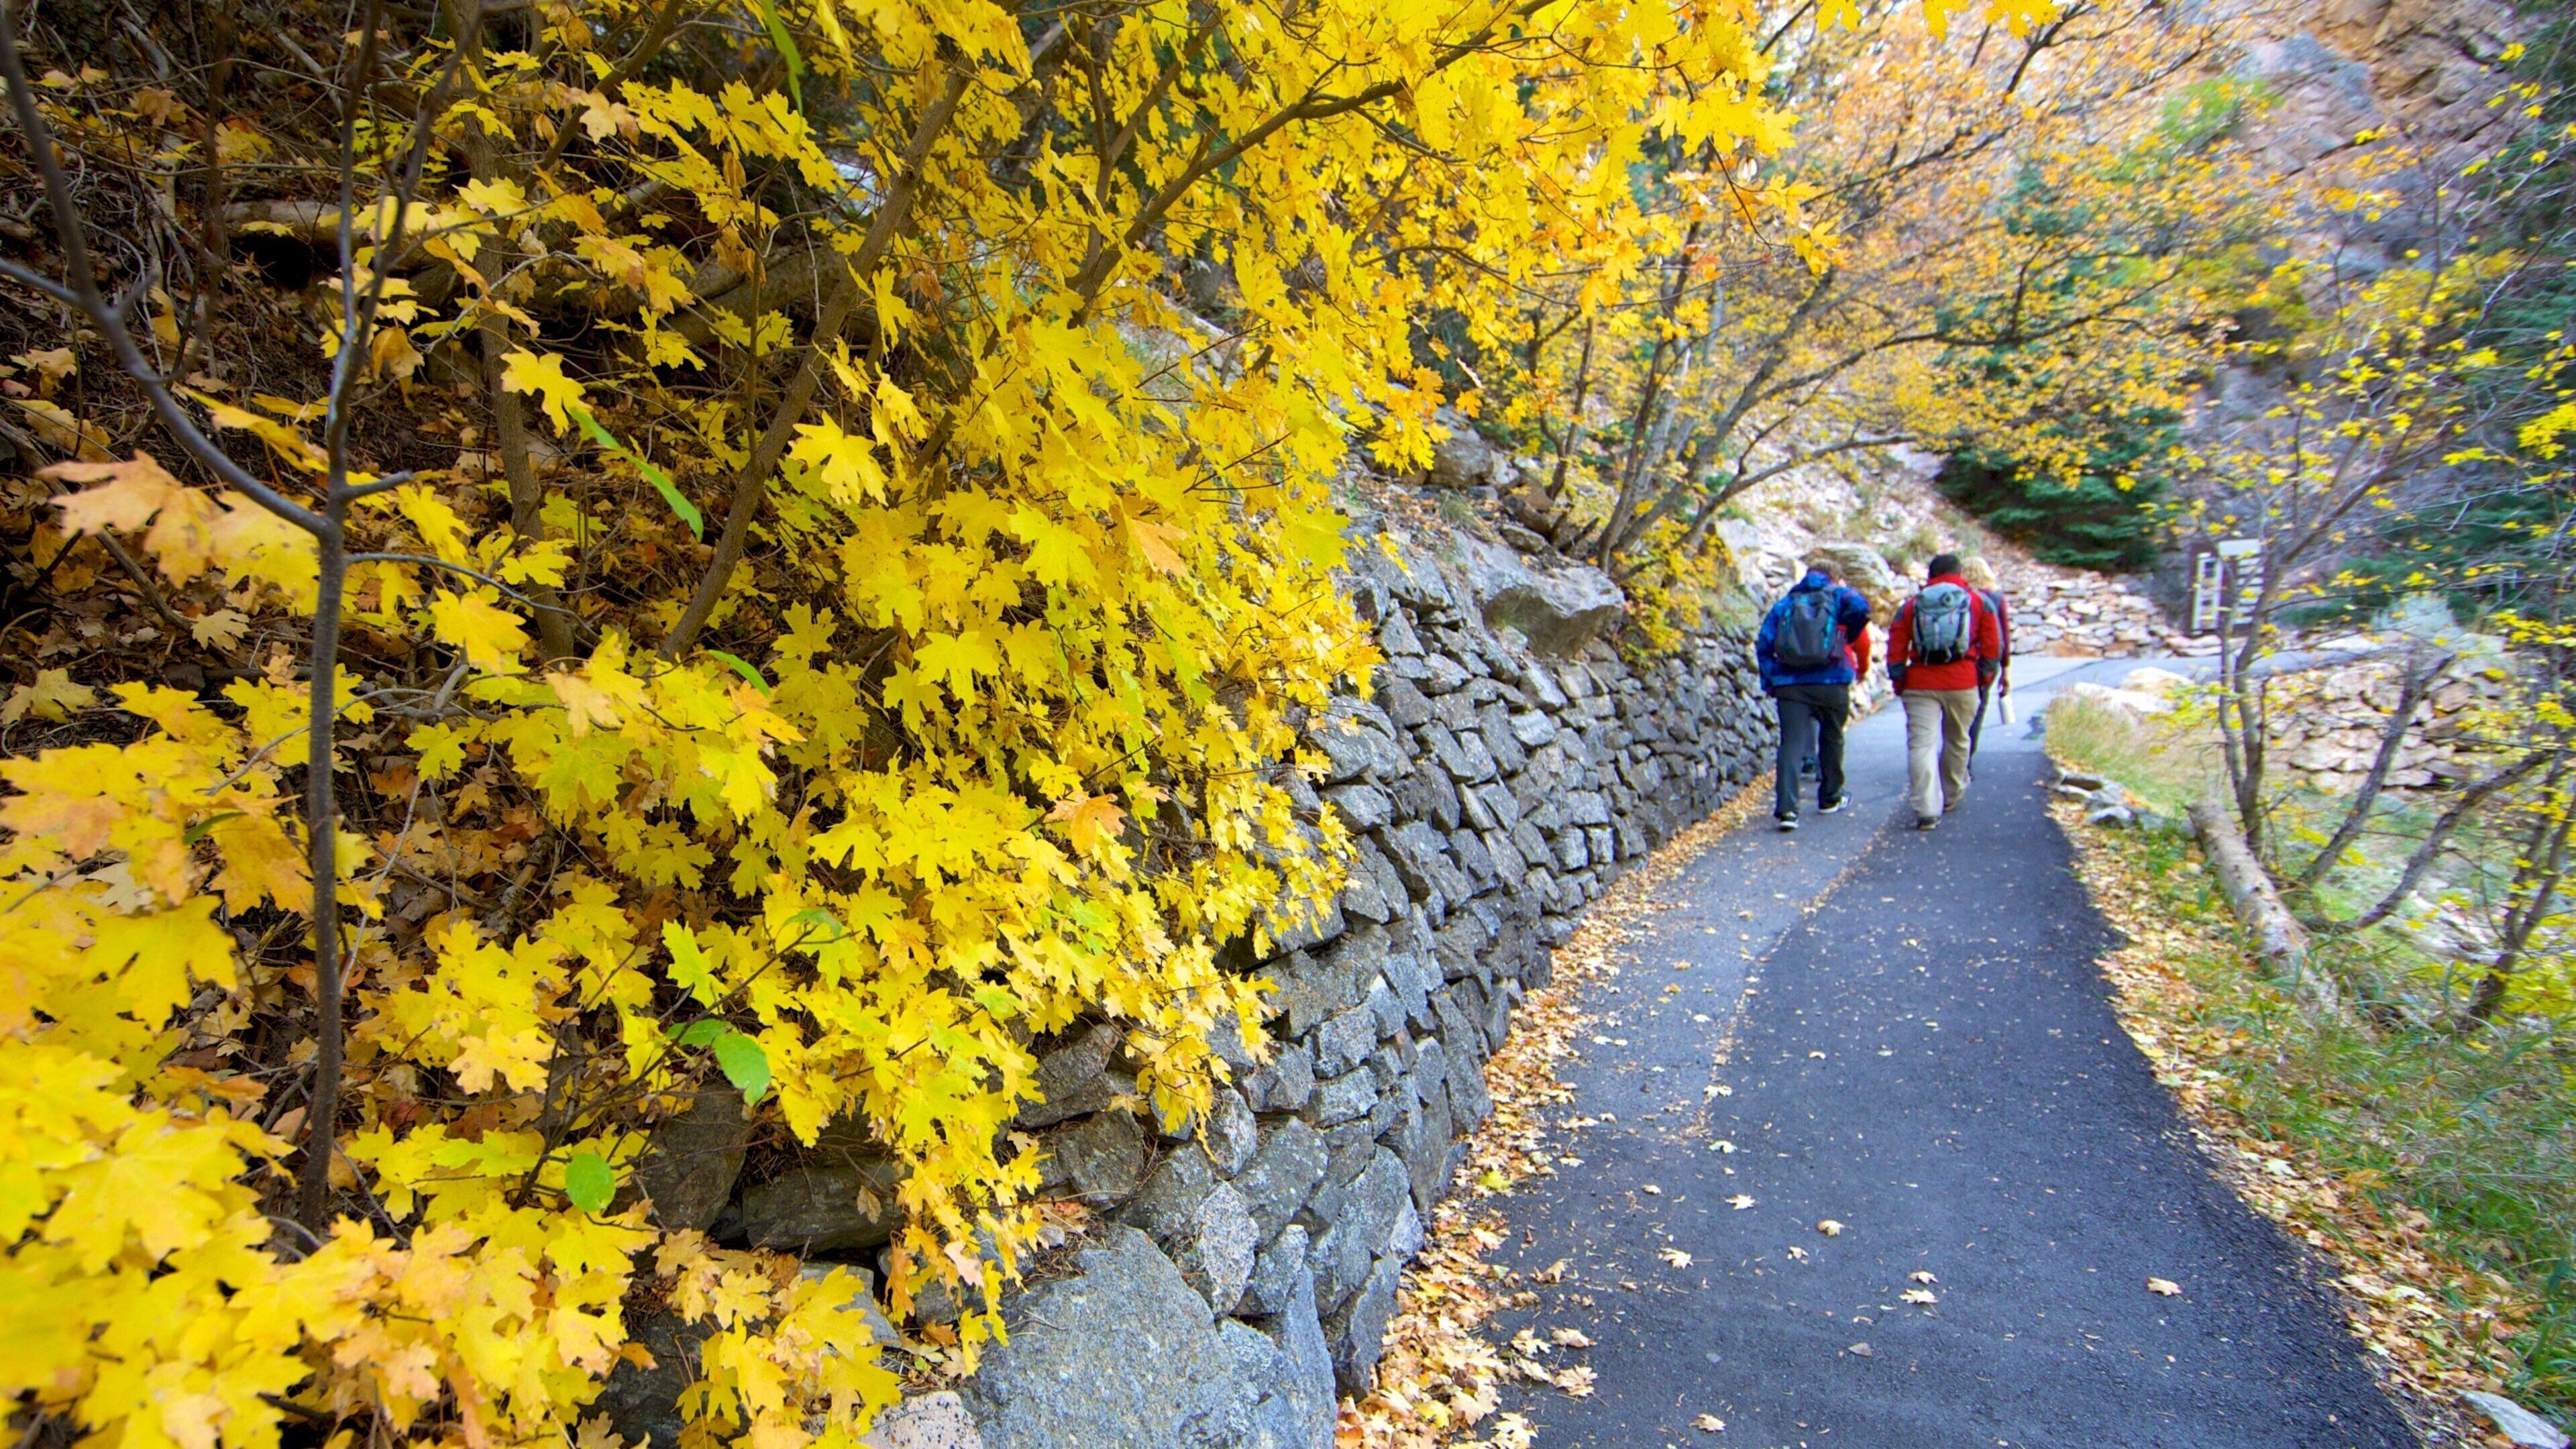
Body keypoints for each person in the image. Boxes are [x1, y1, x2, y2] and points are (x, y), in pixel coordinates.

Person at [1886, 552, 2002, 829]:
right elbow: (1993, 645)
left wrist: (1900, 680)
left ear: (1930, 575)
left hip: (1920, 682)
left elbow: (1896, 645)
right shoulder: (1977, 601)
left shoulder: (1913, 605)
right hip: (1962, 682)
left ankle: (1926, 809)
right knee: (1958, 739)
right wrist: (1982, 678)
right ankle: (1951, 795)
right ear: (1960, 573)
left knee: (1921, 745)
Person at [1755, 559, 1873, 831]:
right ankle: (1830, 797)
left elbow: (1764, 644)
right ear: (1835, 577)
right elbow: (1862, 609)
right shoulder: (1838, 596)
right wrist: (1846, 636)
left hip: (1790, 684)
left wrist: (1772, 679)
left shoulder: (1786, 604)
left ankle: (1787, 810)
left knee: (1791, 744)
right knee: (1832, 736)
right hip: (1832, 680)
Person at [1960, 556, 2012, 760]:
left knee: (1958, 713)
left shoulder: (1958, 597)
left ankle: (1954, 758)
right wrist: (2006, 671)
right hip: (1986, 663)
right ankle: (1967, 760)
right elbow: (2004, 637)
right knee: (1978, 710)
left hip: (1961, 662)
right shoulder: (1995, 598)